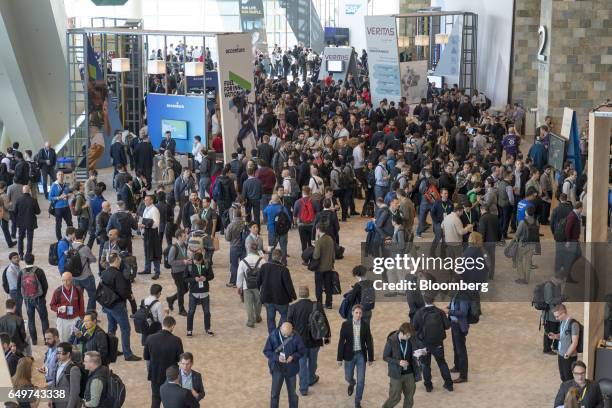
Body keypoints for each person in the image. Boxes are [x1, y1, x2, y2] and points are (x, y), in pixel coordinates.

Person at [287, 286, 330, 396]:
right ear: (308, 293)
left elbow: (288, 326)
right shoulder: (316, 305)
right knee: (313, 361)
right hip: (315, 340)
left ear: (299, 294)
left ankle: (303, 389)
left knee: (302, 365)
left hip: (299, 342)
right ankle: (311, 379)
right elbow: (324, 321)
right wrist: (327, 336)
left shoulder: (292, 307)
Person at [99, 252, 141, 361]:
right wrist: (129, 296)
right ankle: (128, 354)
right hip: (117, 306)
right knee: (125, 329)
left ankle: (111, 350)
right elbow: (122, 291)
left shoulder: (104, 273)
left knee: (111, 328)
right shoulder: (118, 275)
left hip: (108, 305)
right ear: (117, 260)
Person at [412, 293, 453, 392]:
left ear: (424, 300)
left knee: (425, 365)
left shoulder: (419, 312)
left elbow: (414, 328)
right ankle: (449, 385)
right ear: (434, 300)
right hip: (438, 343)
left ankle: (428, 386)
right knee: (442, 363)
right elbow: (447, 326)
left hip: (424, 344)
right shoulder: (440, 312)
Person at [337, 304, 374, 408]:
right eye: (356, 313)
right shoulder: (345, 325)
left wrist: (371, 358)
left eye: (360, 313)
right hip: (349, 355)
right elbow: (341, 342)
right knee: (348, 377)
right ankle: (352, 382)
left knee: (361, 381)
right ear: (352, 313)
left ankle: (357, 401)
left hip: (361, 356)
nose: (358, 315)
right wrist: (339, 358)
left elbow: (369, 342)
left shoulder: (365, 326)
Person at [263, 321, 306, 408]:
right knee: (274, 394)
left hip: (291, 369)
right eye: (284, 334)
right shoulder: (273, 335)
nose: (286, 336)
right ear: (280, 329)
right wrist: (277, 357)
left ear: (292, 330)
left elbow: (302, 351)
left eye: (288, 335)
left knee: (293, 395)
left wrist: (293, 356)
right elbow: (267, 351)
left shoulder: (296, 336)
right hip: (277, 369)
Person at [144, 316, 184, 408]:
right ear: (173, 326)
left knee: (155, 399)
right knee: (172, 401)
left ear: (162, 324)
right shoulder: (176, 340)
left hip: (155, 374)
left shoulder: (150, 338)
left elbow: (146, 357)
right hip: (171, 376)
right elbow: (180, 359)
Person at [381, 322, 423, 408]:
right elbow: (385, 357)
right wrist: (398, 362)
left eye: (410, 335)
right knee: (395, 398)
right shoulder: (391, 340)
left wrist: (419, 354)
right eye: (407, 335)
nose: (409, 337)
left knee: (410, 397)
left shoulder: (411, 338)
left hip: (409, 373)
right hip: (396, 374)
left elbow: (417, 348)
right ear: (401, 332)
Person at [259, 249, 297, 334]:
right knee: (284, 315)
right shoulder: (284, 269)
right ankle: (280, 331)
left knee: (270, 318)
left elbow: (258, 281)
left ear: (272, 256)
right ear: (280, 258)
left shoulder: (264, 267)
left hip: (268, 299)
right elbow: (289, 285)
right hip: (282, 300)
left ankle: (272, 335)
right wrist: (293, 296)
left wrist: (260, 294)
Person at [443, 291, 472, 384]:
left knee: (461, 350)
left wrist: (449, 311)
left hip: (459, 326)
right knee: (456, 347)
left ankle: (463, 376)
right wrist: (449, 307)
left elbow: (463, 312)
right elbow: (454, 304)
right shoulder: (456, 293)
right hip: (454, 324)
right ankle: (457, 366)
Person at [21, 253, 49, 346]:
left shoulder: (22, 272)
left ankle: (34, 340)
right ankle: (47, 340)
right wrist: (42, 297)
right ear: (34, 259)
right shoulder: (39, 271)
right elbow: (45, 285)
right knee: (44, 319)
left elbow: (19, 287)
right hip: (39, 299)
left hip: (27, 300)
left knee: (31, 320)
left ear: (25, 260)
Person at [185, 252, 215, 337]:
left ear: (201, 260)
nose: (196, 263)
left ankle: (208, 329)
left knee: (207, 312)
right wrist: (194, 279)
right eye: (195, 261)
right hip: (193, 292)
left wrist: (206, 278)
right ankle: (189, 330)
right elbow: (185, 278)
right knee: (191, 312)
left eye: (198, 262)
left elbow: (212, 276)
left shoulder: (206, 264)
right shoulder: (189, 265)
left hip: (204, 292)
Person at [50, 272, 85, 342]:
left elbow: (81, 305)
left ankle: (74, 353)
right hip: (63, 320)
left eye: (68, 280)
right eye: (63, 280)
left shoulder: (78, 290)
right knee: (63, 340)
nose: (65, 282)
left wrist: (82, 318)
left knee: (76, 340)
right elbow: (52, 305)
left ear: (72, 280)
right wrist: (58, 308)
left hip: (75, 319)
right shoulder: (58, 291)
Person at [550, 304, 581, 382]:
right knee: (563, 376)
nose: (556, 319)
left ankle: (570, 393)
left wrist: (567, 354)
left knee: (569, 378)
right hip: (561, 354)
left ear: (563, 313)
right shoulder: (562, 322)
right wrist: (556, 336)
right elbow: (564, 335)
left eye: (557, 316)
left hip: (569, 356)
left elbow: (575, 342)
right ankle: (565, 392)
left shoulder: (574, 324)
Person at [236, 243, 263, 328]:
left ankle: (250, 321)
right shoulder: (262, 261)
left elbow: (239, 275)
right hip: (258, 286)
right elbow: (265, 274)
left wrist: (239, 286)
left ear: (248, 249)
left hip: (246, 286)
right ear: (257, 250)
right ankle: (257, 317)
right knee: (258, 303)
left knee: (249, 304)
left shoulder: (243, 261)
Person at [166, 229, 191, 316]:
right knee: (181, 290)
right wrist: (183, 262)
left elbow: (184, 255)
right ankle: (181, 309)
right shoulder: (174, 248)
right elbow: (170, 261)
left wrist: (187, 259)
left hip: (184, 271)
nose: (186, 237)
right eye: (184, 236)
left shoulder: (184, 245)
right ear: (179, 237)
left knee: (185, 289)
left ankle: (171, 299)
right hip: (176, 273)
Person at [72, 228, 97, 312]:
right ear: (83, 237)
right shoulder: (85, 248)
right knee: (92, 295)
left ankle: (79, 313)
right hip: (86, 276)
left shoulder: (70, 246)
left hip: (75, 277)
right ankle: (90, 314)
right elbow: (93, 259)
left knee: (78, 296)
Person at [52, 341, 83, 408]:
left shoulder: (74, 369)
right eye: (57, 353)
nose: (58, 355)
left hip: (66, 405)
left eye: (60, 353)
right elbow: (54, 383)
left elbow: (74, 393)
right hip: (56, 403)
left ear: (68, 354)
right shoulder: (57, 365)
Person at [139, 195, 162, 279]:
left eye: (147, 200)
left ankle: (157, 271)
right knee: (147, 251)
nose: (145, 201)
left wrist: (145, 225)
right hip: (147, 233)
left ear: (152, 201)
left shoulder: (154, 210)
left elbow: (156, 224)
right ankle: (147, 268)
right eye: (145, 200)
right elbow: (143, 220)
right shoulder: (146, 208)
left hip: (153, 233)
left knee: (154, 252)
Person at [514, 205, 539, 284]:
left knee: (519, 260)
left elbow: (517, 234)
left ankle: (521, 277)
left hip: (523, 244)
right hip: (532, 244)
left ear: (526, 212)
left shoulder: (522, 222)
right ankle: (526, 279)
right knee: (528, 262)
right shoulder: (536, 221)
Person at [312, 225, 336, 309]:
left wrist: (315, 247)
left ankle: (319, 304)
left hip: (319, 268)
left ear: (318, 230)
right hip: (329, 267)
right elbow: (333, 254)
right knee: (328, 286)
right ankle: (329, 303)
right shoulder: (330, 239)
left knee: (318, 287)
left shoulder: (319, 242)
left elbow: (316, 256)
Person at [263, 194, 290, 265]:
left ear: (271, 200)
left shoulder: (268, 208)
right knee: (283, 247)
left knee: (271, 246)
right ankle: (284, 262)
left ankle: (270, 260)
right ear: (279, 200)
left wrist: (269, 204)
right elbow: (289, 219)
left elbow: (264, 213)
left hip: (272, 230)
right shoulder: (283, 208)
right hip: (282, 231)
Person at [14, 185, 40, 259]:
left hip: (21, 222)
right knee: (29, 239)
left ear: (23, 191)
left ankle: (21, 254)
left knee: (20, 238)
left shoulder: (18, 200)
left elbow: (15, 211)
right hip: (30, 222)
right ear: (29, 191)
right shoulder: (33, 200)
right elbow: (38, 212)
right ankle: (28, 254)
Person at [224, 208, 246, 288]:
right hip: (244, 247)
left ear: (234, 215)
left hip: (234, 247)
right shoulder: (245, 224)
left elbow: (227, 238)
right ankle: (244, 281)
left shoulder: (231, 225)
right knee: (244, 264)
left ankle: (233, 282)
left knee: (234, 265)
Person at [49, 170, 73, 241]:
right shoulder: (54, 185)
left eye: (62, 175)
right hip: (58, 208)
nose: (61, 176)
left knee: (70, 223)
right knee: (58, 224)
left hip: (66, 207)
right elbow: (50, 197)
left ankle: (70, 237)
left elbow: (69, 193)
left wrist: (68, 195)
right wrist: (59, 197)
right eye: (59, 175)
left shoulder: (66, 184)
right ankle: (59, 239)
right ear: (56, 176)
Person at [3, 252, 23, 316]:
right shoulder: (10, 270)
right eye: (14, 258)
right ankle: (17, 323)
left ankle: (19, 322)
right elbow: (15, 284)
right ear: (10, 260)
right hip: (15, 292)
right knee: (17, 310)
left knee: (19, 309)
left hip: (18, 291)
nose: (17, 259)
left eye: (17, 257)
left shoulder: (17, 266)